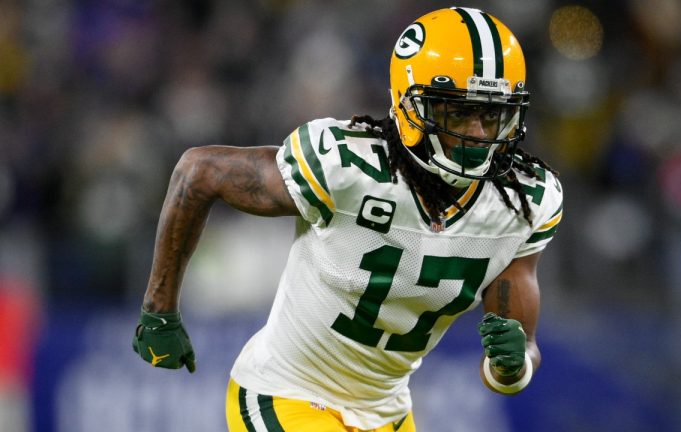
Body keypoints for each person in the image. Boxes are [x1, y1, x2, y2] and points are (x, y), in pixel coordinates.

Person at [132, 6, 563, 432]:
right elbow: (199, 171)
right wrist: (159, 309)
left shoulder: (522, 203)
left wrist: (513, 366)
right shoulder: (347, 166)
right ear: (410, 106)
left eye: (491, 114)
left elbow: (517, 352)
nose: (477, 133)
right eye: (456, 112)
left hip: (387, 414)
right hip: (287, 392)